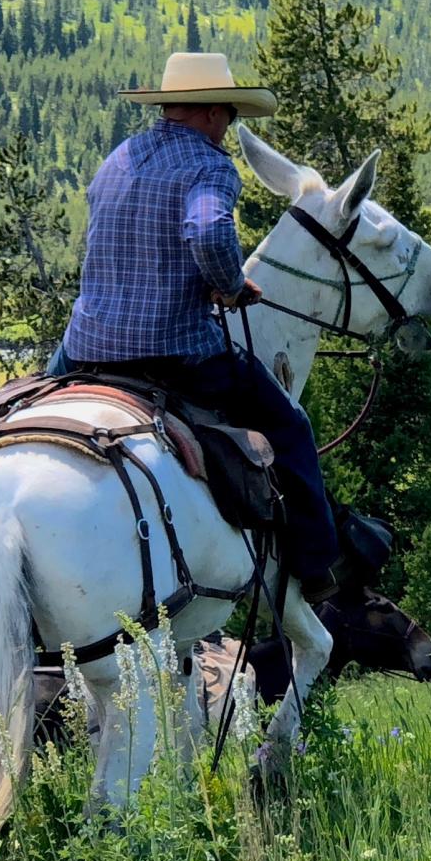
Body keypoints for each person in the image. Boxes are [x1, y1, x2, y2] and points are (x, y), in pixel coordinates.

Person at [53, 50, 339, 599]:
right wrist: (230, 285)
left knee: (35, 397)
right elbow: (208, 233)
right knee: (289, 425)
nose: (229, 127)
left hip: (87, 344)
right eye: (229, 115)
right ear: (210, 113)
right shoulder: (209, 166)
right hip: (174, 352)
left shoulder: (120, 156)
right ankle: (315, 562)